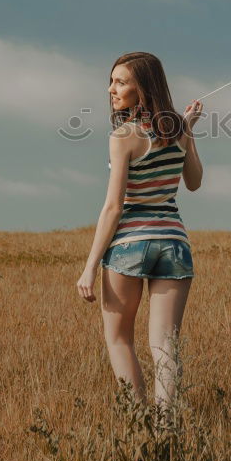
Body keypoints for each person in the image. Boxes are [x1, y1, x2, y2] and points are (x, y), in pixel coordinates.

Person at [76, 51, 203, 419]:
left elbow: (113, 207)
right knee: (165, 346)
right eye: (111, 81)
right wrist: (188, 131)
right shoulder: (178, 131)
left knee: (119, 339)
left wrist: (89, 267)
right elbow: (193, 184)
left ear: (143, 88)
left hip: (130, 244)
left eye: (121, 82)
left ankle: (140, 425)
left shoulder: (123, 136)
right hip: (174, 243)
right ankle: (168, 427)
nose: (111, 89)